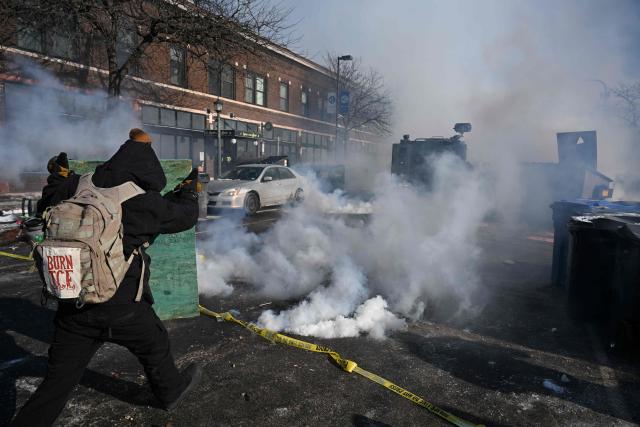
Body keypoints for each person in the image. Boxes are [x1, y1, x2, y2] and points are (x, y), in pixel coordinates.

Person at [12, 129, 202, 426]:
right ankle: (171, 393)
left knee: (56, 383)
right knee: (155, 346)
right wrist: (189, 191)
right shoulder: (142, 201)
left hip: (74, 308)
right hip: (124, 309)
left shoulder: (75, 186)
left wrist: (58, 176)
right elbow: (184, 216)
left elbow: (47, 201)